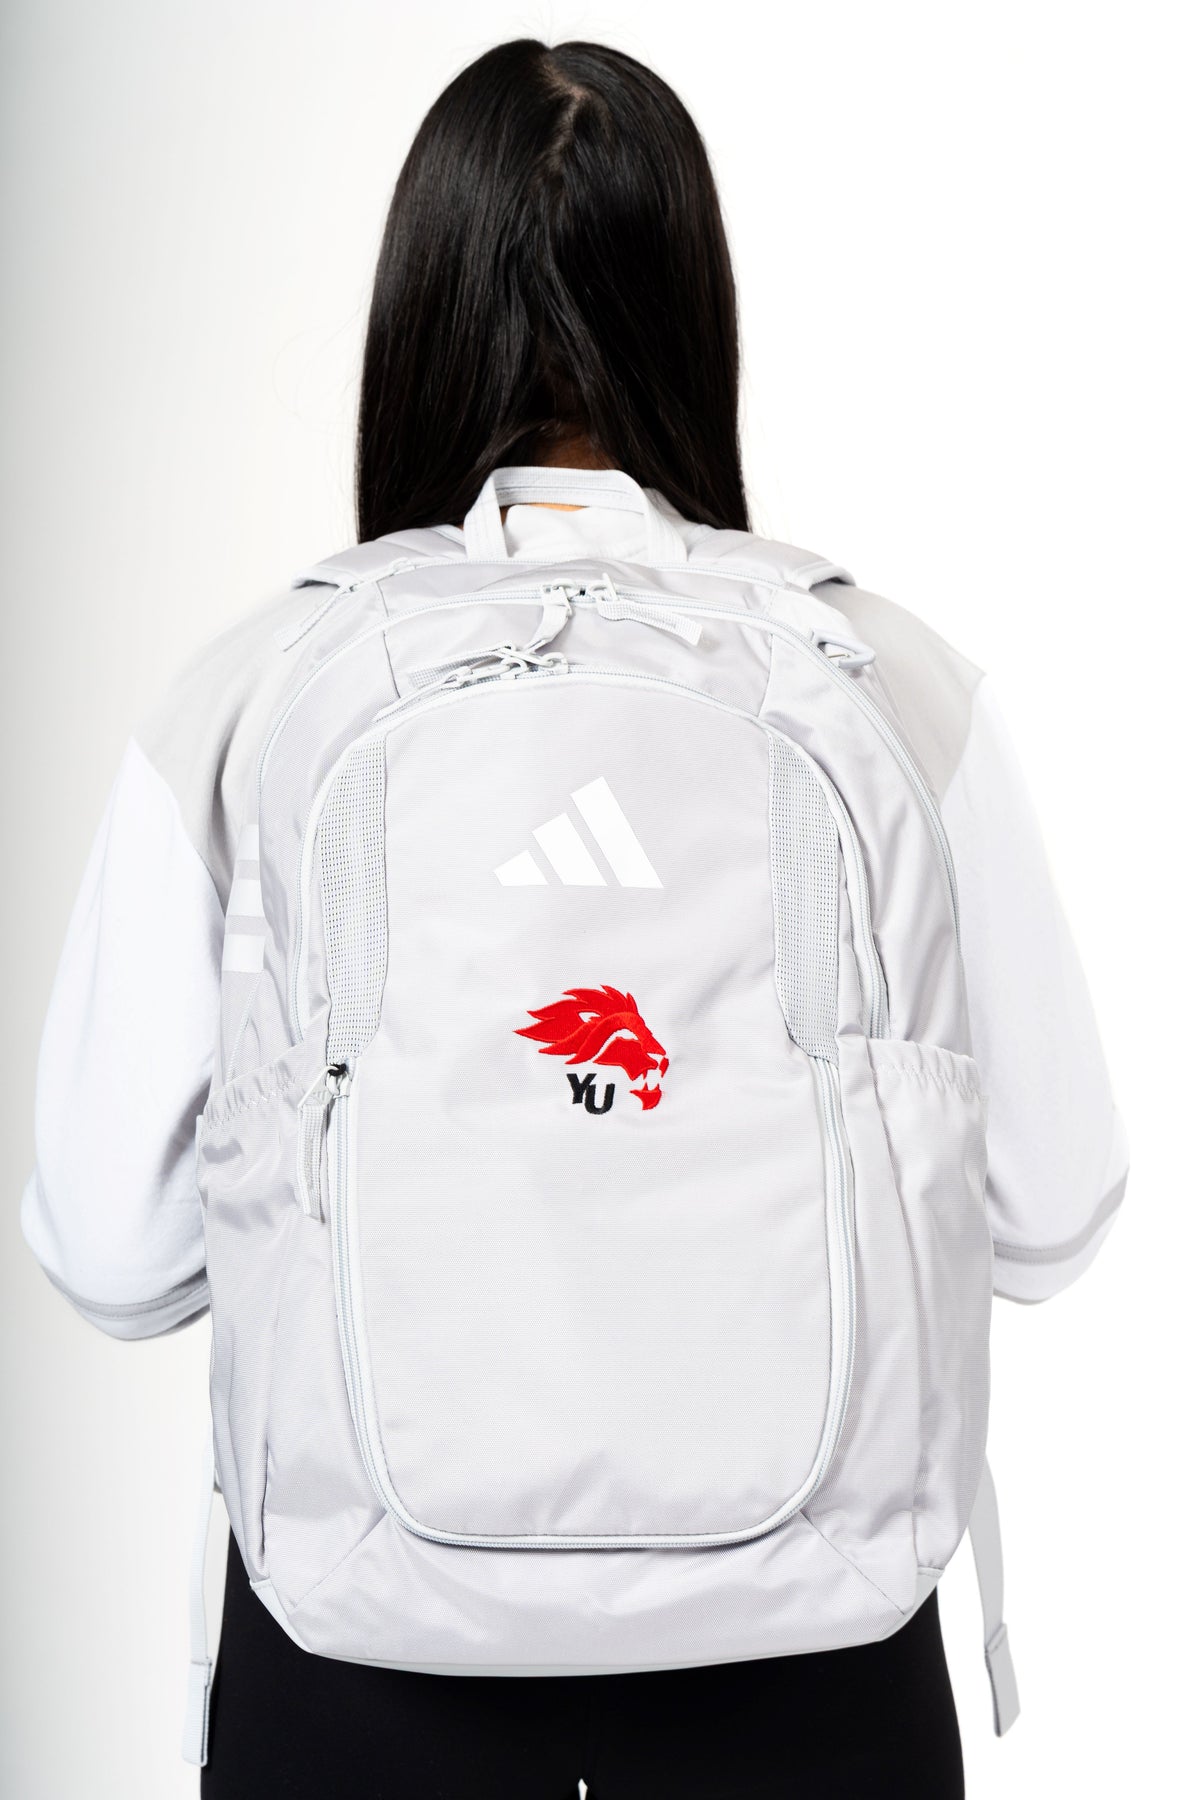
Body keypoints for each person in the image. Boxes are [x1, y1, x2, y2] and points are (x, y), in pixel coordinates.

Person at [21, 37, 1126, 1800]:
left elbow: (111, 1250)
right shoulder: (892, 682)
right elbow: (1054, 1216)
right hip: (815, 1671)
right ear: (697, 316)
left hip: (361, 1672)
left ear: (414, 320)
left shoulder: (256, 689)